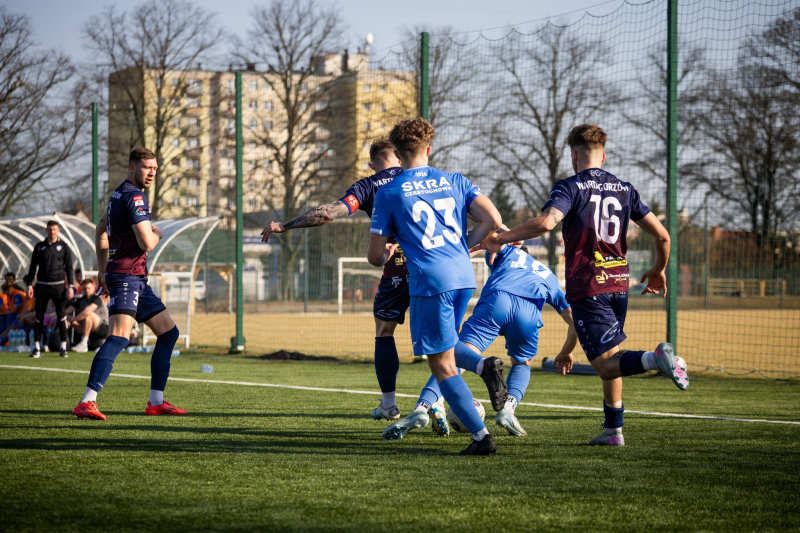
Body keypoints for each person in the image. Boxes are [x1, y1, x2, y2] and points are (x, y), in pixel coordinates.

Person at [483, 124, 688, 446]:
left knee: (606, 366)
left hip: (589, 286)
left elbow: (547, 223)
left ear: (574, 155)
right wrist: (659, 271)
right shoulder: (625, 189)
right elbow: (663, 236)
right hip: (619, 284)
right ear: (603, 155)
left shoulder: (570, 186)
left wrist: (501, 237)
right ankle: (613, 430)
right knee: (614, 356)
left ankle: (655, 359)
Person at [368, 118, 503, 455]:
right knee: (448, 346)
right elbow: (493, 221)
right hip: (463, 276)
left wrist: (385, 250)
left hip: (430, 280)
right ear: (429, 149)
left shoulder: (389, 191)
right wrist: (462, 245)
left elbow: (374, 256)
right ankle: (482, 367)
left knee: (440, 361)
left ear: (397, 155)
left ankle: (481, 436)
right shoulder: (456, 181)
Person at [261, 138, 411, 421]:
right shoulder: (422, 178)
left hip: (395, 271)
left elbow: (328, 213)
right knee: (439, 340)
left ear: (371, 164)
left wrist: (284, 225)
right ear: (400, 159)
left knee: (384, 332)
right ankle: (440, 400)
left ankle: (389, 405)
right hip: (432, 269)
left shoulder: (367, 186)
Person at [72, 147, 186, 421]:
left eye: (155, 169)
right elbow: (147, 242)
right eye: (147, 168)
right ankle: (87, 401)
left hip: (130, 277)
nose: (152, 173)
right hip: (126, 276)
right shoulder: (134, 196)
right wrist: (157, 232)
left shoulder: (117, 194)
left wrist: (102, 271)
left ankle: (156, 401)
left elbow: (101, 231)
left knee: (168, 333)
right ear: (132, 166)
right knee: (120, 337)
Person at [459, 235, 577, 437]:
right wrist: (567, 351)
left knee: (459, 353)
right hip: (528, 314)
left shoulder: (508, 253)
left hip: (499, 299)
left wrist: (508, 235)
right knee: (523, 363)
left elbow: (494, 230)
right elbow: (576, 322)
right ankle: (508, 410)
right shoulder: (549, 275)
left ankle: (430, 404)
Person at [23, 220, 74, 358]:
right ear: (46, 230)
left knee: (62, 316)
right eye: (50, 229)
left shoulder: (64, 247)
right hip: (42, 286)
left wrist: (71, 286)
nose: (52, 232)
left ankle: (63, 347)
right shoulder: (39, 247)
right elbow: (33, 267)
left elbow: (69, 268)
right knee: (38, 317)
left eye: (55, 229)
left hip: (58, 286)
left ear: (58, 231)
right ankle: (37, 348)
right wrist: (29, 285)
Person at [66, 278, 109, 352]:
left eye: (89, 288)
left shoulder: (96, 299)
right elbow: (66, 311)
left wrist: (74, 319)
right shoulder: (82, 300)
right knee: (67, 318)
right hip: (88, 328)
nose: (87, 290)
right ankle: (64, 341)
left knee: (88, 315)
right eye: (85, 288)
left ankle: (83, 344)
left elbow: (87, 312)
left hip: (102, 327)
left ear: (93, 288)